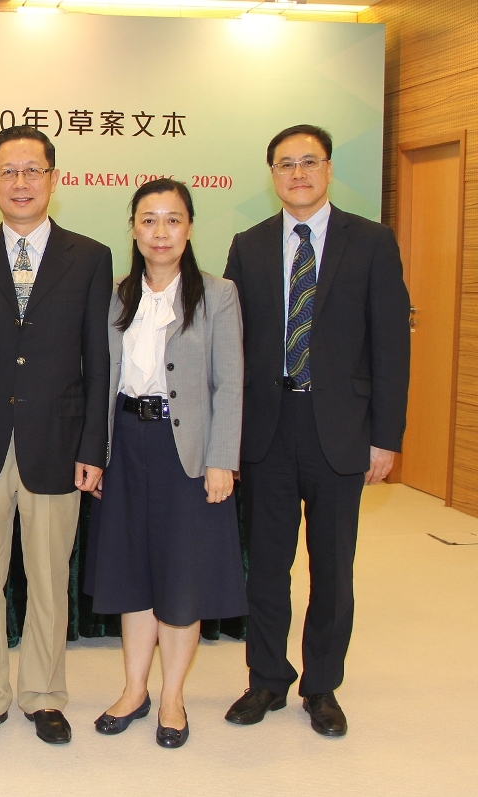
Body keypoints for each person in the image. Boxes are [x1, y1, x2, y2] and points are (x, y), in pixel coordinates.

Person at [223, 125, 410, 737]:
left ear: (328, 169)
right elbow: (233, 348)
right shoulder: (247, 246)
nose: (297, 173)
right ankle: (266, 680)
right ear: (271, 174)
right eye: (285, 163)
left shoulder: (372, 242)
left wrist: (386, 436)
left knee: (333, 565)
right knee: (267, 564)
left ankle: (322, 685)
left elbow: (390, 347)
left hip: (340, 428)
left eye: (309, 162)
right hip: (267, 429)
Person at [0, 126, 111, 748]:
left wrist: (93, 448)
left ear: (53, 179)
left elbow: (99, 360)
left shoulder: (90, 257)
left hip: (58, 442)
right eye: (8, 172)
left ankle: (44, 695)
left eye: (32, 171)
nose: (20, 183)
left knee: (48, 577)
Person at [84, 178, 247, 749]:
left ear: (189, 228)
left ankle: (172, 695)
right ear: (133, 227)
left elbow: (230, 384)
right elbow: (98, 381)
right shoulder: (115, 293)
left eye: (173, 219)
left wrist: (222, 459)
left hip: (189, 452)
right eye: (149, 219)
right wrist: (96, 455)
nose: (161, 232)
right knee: (132, 574)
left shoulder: (217, 294)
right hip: (125, 443)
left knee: (182, 575)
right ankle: (134, 689)